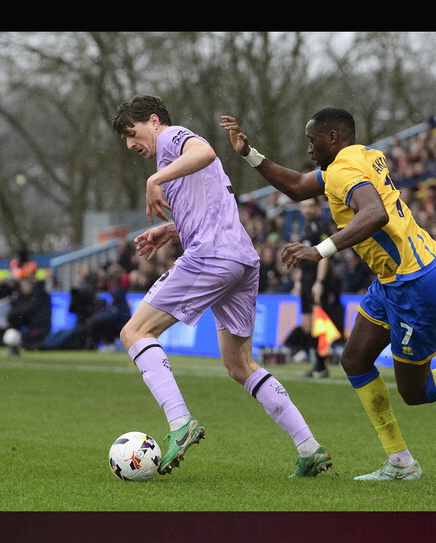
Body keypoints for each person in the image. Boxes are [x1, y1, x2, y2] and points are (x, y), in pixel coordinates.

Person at [221, 109, 436, 481]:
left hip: (415, 281)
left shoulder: (343, 170)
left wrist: (319, 250)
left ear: (332, 138)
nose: (308, 148)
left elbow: (375, 214)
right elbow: (298, 186)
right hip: (394, 278)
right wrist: (250, 154)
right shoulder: (361, 156)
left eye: (311, 140)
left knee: (416, 391)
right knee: (355, 361)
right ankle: (400, 462)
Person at [110, 94, 331, 478]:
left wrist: (154, 179)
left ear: (154, 121)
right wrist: (171, 229)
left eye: (132, 133)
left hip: (211, 257)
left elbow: (206, 151)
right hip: (241, 260)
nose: (131, 145)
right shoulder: (174, 161)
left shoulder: (172, 138)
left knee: (135, 332)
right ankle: (310, 448)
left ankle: (180, 422)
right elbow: (211, 206)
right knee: (239, 364)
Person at [283, 196, 342, 378]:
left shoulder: (321, 226)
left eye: (310, 206)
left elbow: (325, 256)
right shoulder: (306, 228)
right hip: (306, 281)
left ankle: (321, 366)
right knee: (307, 326)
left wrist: (320, 282)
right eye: (304, 206)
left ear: (317, 207)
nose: (306, 210)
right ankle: (316, 363)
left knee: (319, 324)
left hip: (318, 281)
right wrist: (299, 281)